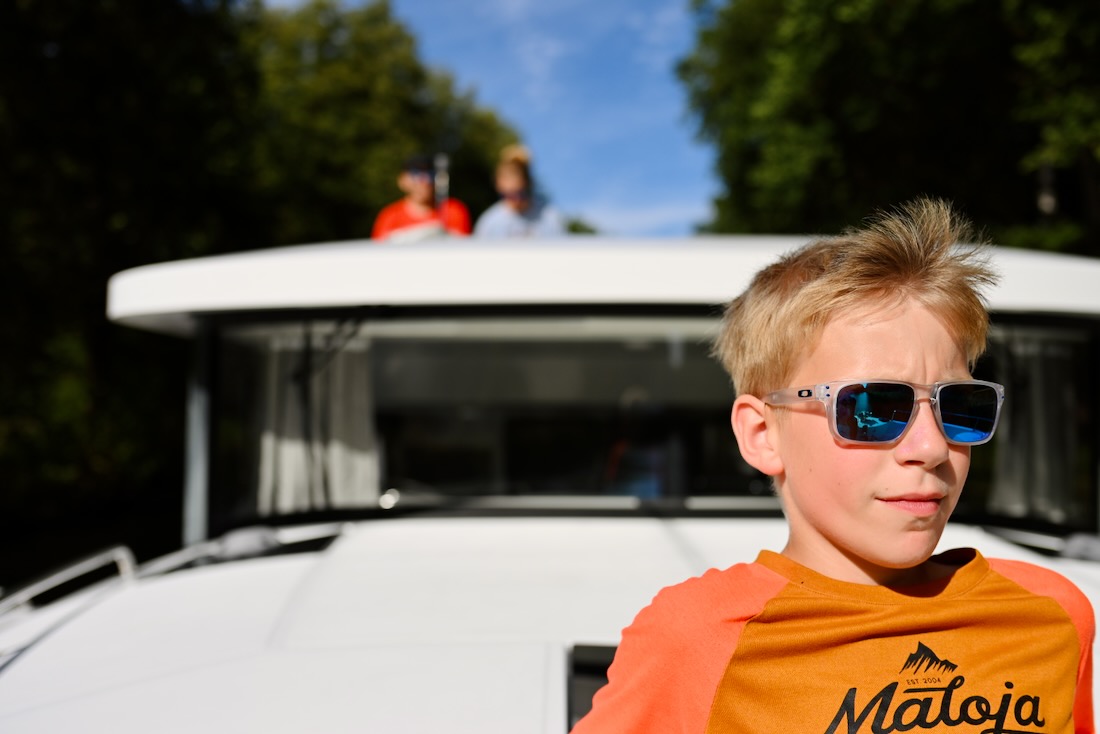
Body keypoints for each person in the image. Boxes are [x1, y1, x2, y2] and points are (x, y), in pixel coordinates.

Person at [571, 198, 1095, 733]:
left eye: (960, 407)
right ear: (762, 435)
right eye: (871, 409)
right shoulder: (698, 640)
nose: (931, 447)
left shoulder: (1052, 614)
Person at [371, 154, 471, 243]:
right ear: (402, 181)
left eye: (431, 174)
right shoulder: (389, 216)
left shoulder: (453, 211)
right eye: (416, 174)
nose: (424, 181)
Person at [473, 144, 566, 237]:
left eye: (519, 173)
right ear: (498, 183)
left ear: (527, 181)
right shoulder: (489, 222)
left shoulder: (550, 217)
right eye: (508, 175)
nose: (514, 180)